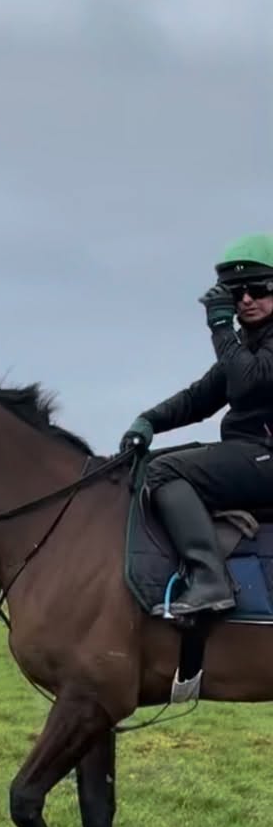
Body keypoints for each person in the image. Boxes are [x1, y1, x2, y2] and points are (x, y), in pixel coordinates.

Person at [120, 233, 273, 617]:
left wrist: (221, 328)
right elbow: (200, 397)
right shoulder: (248, 341)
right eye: (235, 293)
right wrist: (149, 420)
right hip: (251, 453)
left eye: (257, 288)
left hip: (265, 455)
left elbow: (249, 379)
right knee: (145, 465)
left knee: (164, 471)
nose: (246, 300)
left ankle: (211, 580)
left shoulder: (244, 345)